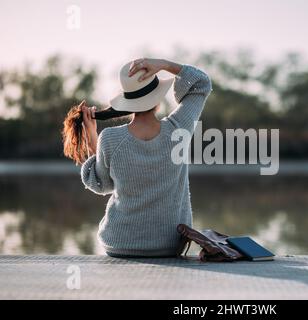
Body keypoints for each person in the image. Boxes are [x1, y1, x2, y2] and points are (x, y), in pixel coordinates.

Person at [61, 58, 212, 257]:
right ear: (157, 100)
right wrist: (163, 65)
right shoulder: (179, 129)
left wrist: (93, 142)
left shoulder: (110, 139)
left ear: (128, 101)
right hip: (168, 246)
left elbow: (102, 185)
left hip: (120, 245)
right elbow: (202, 83)